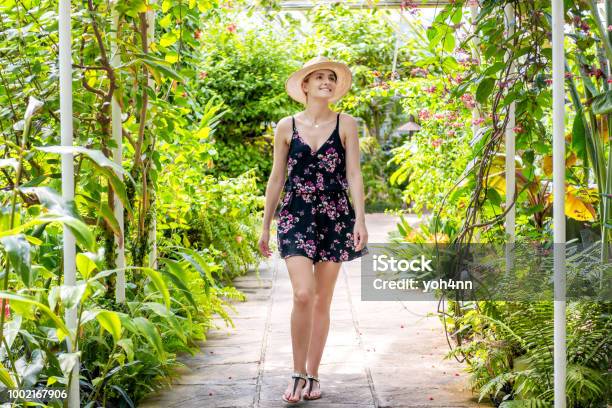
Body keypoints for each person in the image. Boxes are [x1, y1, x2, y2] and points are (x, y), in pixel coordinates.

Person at [258, 55, 369, 404]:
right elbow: (277, 177)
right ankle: (296, 372)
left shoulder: (346, 123)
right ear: (304, 86)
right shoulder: (285, 125)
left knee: (322, 300)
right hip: (296, 213)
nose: (326, 81)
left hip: (335, 216)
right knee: (303, 293)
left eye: (331, 78)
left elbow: (353, 174)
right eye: (318, 77)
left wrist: (360, 219)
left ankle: (313, 374)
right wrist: (265, 225)